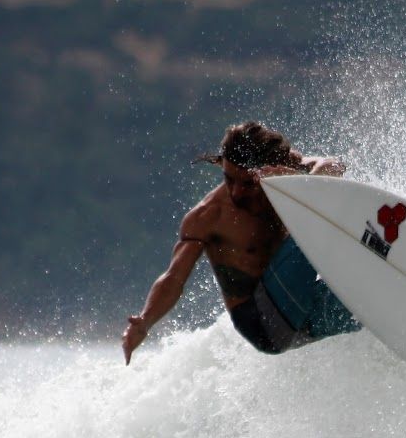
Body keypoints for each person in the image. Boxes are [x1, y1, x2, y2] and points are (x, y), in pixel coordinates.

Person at [123, 121, 360, 363]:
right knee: (316, 214)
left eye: (247, 183)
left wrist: (297, 178)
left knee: (366, 304)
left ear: (270, 168)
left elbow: (335, 167)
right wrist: (145, 321)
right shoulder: (208, 216)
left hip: (301, 318)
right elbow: (173, 278)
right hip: (263, 323)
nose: (236, 192)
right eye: (229, 179)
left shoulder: (285, 172)